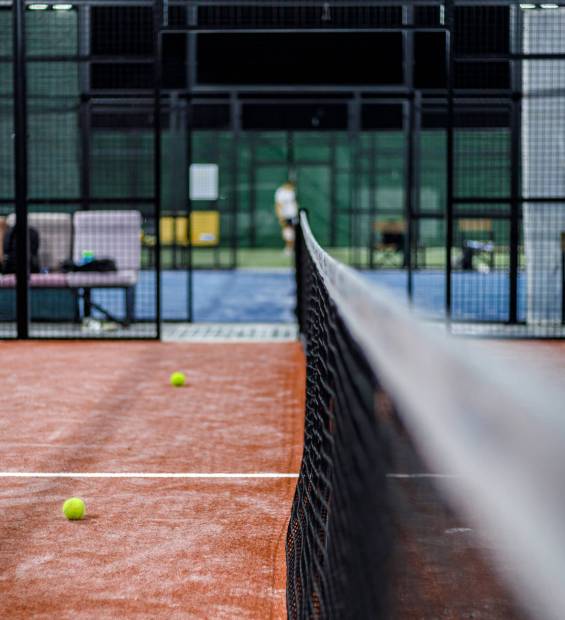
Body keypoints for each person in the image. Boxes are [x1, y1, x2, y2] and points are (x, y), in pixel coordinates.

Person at [274, 179, 299, 256]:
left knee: (294, 231)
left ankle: (292, 248)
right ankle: (288, 248)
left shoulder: (291, 192)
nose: (292, 188)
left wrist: (297, 212)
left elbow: (294, 203)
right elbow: (278, 205)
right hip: (285, 216)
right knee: (287, 231)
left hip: (293, 215)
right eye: (292, 186)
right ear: (288, 185)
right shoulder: (280, 192)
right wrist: (280, 216)